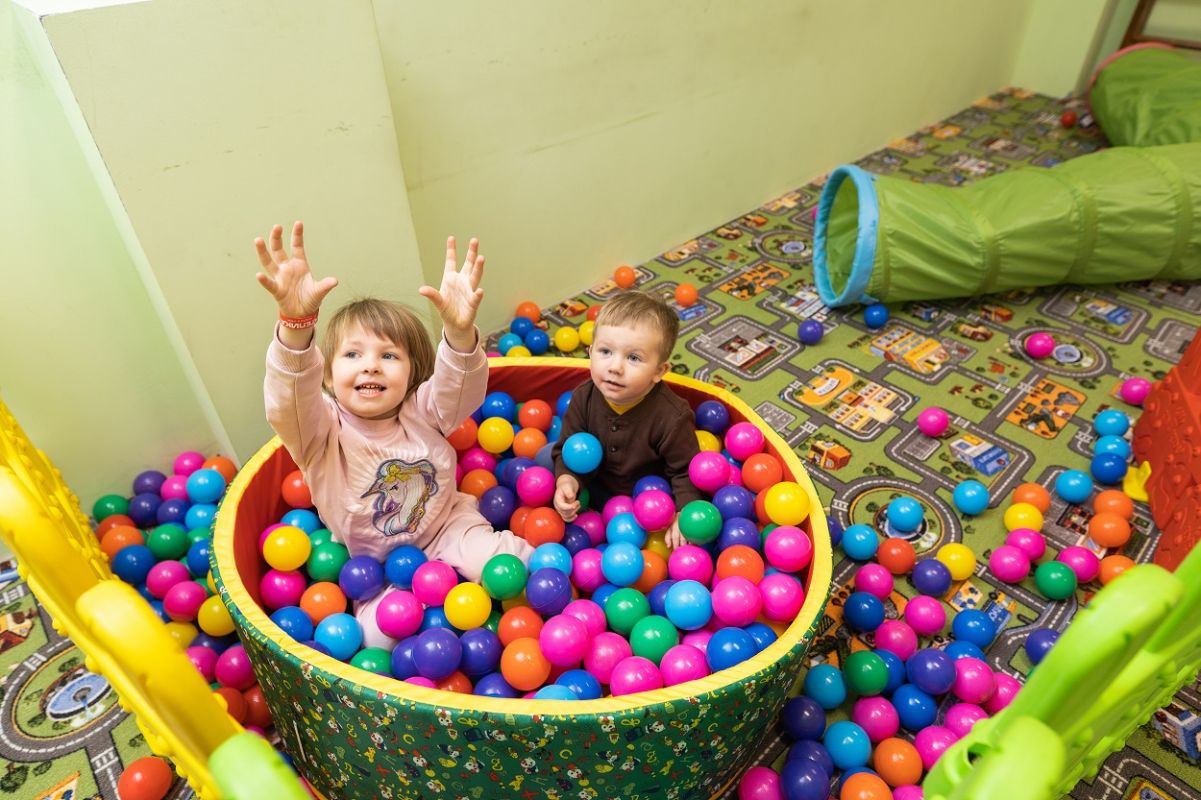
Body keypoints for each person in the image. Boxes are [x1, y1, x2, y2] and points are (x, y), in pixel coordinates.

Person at [255, 222, 532, 643]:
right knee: (376, 640)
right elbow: (287, 398)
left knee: (510, 567)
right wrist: (296, 326)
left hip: (447, 527)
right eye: (352, 354)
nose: (370, 365)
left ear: (413, 373)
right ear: (326, 375)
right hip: (373, 566)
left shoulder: (425, 410)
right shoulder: (318, 430)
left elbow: (459, 387)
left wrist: (459, 334)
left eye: (388, 356)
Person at [551, 291, 701, 548]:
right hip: (592, 496)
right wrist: (566, 481)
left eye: (633, 358)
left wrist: (683, 513)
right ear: (590, 352)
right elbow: (567, 450)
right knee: (546, 464)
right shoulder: (583, 397)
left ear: (659, 371)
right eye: (605, 351)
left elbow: (686, 471)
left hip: (651, 509)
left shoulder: (673, 416)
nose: (615, 367)